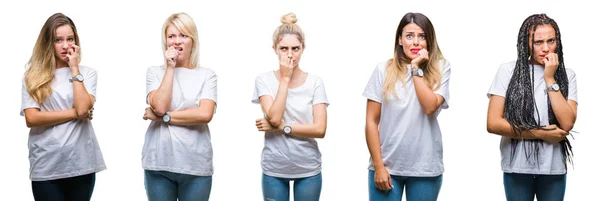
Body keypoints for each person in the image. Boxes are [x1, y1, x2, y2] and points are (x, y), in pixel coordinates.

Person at [486, 13, 577, 201]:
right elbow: (493, 123)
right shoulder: (507, 71)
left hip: (553, 168)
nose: (545, 48)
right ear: (526, 43)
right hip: (517, 166)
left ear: (557, 42)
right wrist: (541, 133)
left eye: (551, 41)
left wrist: (550, 78)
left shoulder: (568, 75)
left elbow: (567, 123)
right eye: (538, 42)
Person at [363, 12, 451, 201]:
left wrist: (415, 69)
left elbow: (429, 107)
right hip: (386, 166)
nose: (416, 42)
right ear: (400, 40)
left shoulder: (441, 67)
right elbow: (371, 121)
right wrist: (378, 166)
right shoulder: (383, 69)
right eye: (409, 36)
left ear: (429, 41)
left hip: (425, 168)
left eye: (422, 36)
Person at [20, 12, 106, 201]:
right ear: (48, 43)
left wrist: (74, 68)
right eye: (58, 40)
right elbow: (32, 118)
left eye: (70, 39)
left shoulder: (87, 74)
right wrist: (74, 113)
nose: (66, 46)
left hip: (81, 163)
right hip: (46, 164)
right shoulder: (33, 76)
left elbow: (84, 108)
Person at [253, 12, 329, 201]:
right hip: (274, 168)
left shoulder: (315, 82)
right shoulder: (263, 80)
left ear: (303, 48)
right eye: (284, 48)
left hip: (308, 168)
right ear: (275, 49)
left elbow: (320, 129)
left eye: (295, 48)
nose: (289, 54)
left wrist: (281, 127)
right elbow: (275, 116)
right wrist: (285, 78)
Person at [142, 12, 217, 201]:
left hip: (196, 165)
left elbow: (205, 114)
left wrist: (163, 118)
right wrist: (170, 67)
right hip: (159, 164)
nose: (177, 41)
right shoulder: (155, 72)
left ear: (193, 40)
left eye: (183, 35)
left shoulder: (207, 75)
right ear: (165, 41)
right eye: (171, 36)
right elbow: (159, 106)